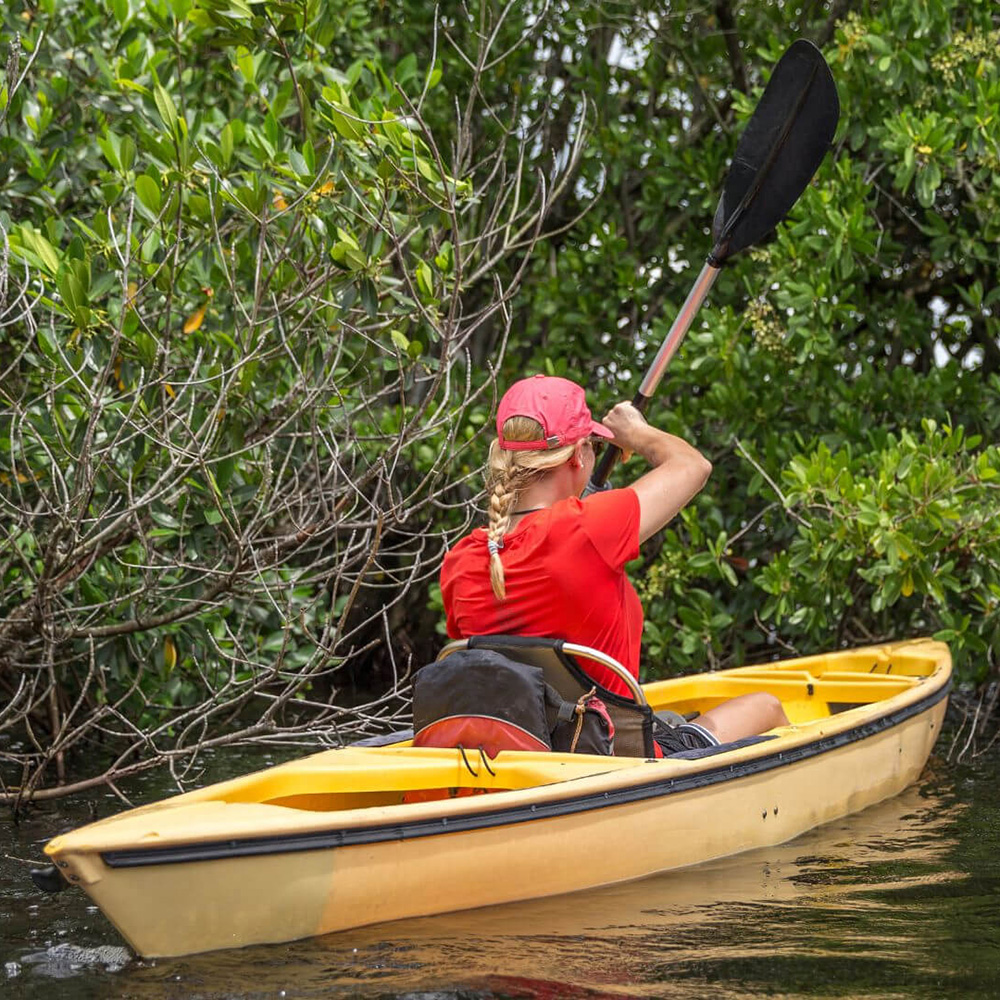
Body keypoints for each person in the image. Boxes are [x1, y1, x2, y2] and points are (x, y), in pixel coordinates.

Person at [439, 373, 789, 755]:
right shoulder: (586, 528)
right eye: (590, 444)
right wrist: (634, 433)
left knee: (671, 717)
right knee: (766, 707)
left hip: (521, 757)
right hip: (616, 760)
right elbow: (693, 466)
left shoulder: (462, 561)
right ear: (578, 455)